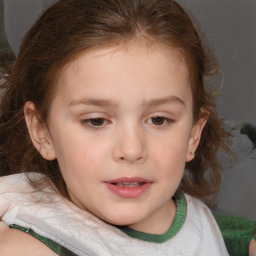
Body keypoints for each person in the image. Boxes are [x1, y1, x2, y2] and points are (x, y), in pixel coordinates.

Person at [0, 0, 255, 255]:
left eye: (159, 120)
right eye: (96, 121)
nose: (131, 150)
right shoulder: (28, 246)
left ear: (193, 134)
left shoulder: (229, 237)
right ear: (42, 131)